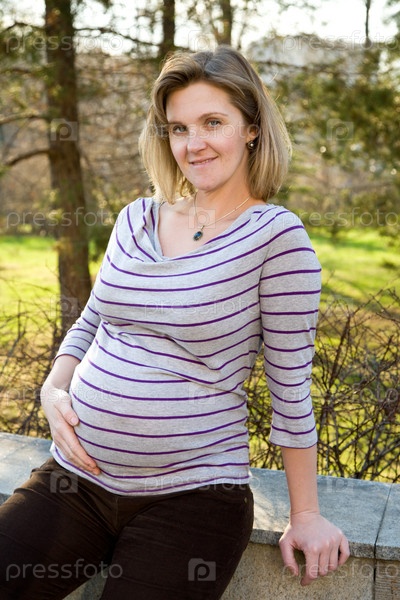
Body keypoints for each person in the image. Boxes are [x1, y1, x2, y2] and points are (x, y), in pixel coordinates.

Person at [0, 45, 349, 599]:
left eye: (213, 122)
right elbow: (91, 320)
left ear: (252, 129)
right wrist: (53, 389)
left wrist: (305, 514)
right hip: (75, 481)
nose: (193, 143)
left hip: (193, 499)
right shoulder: (135, 218)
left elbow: (290, 386)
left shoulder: (276, 238)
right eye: (178, 128)